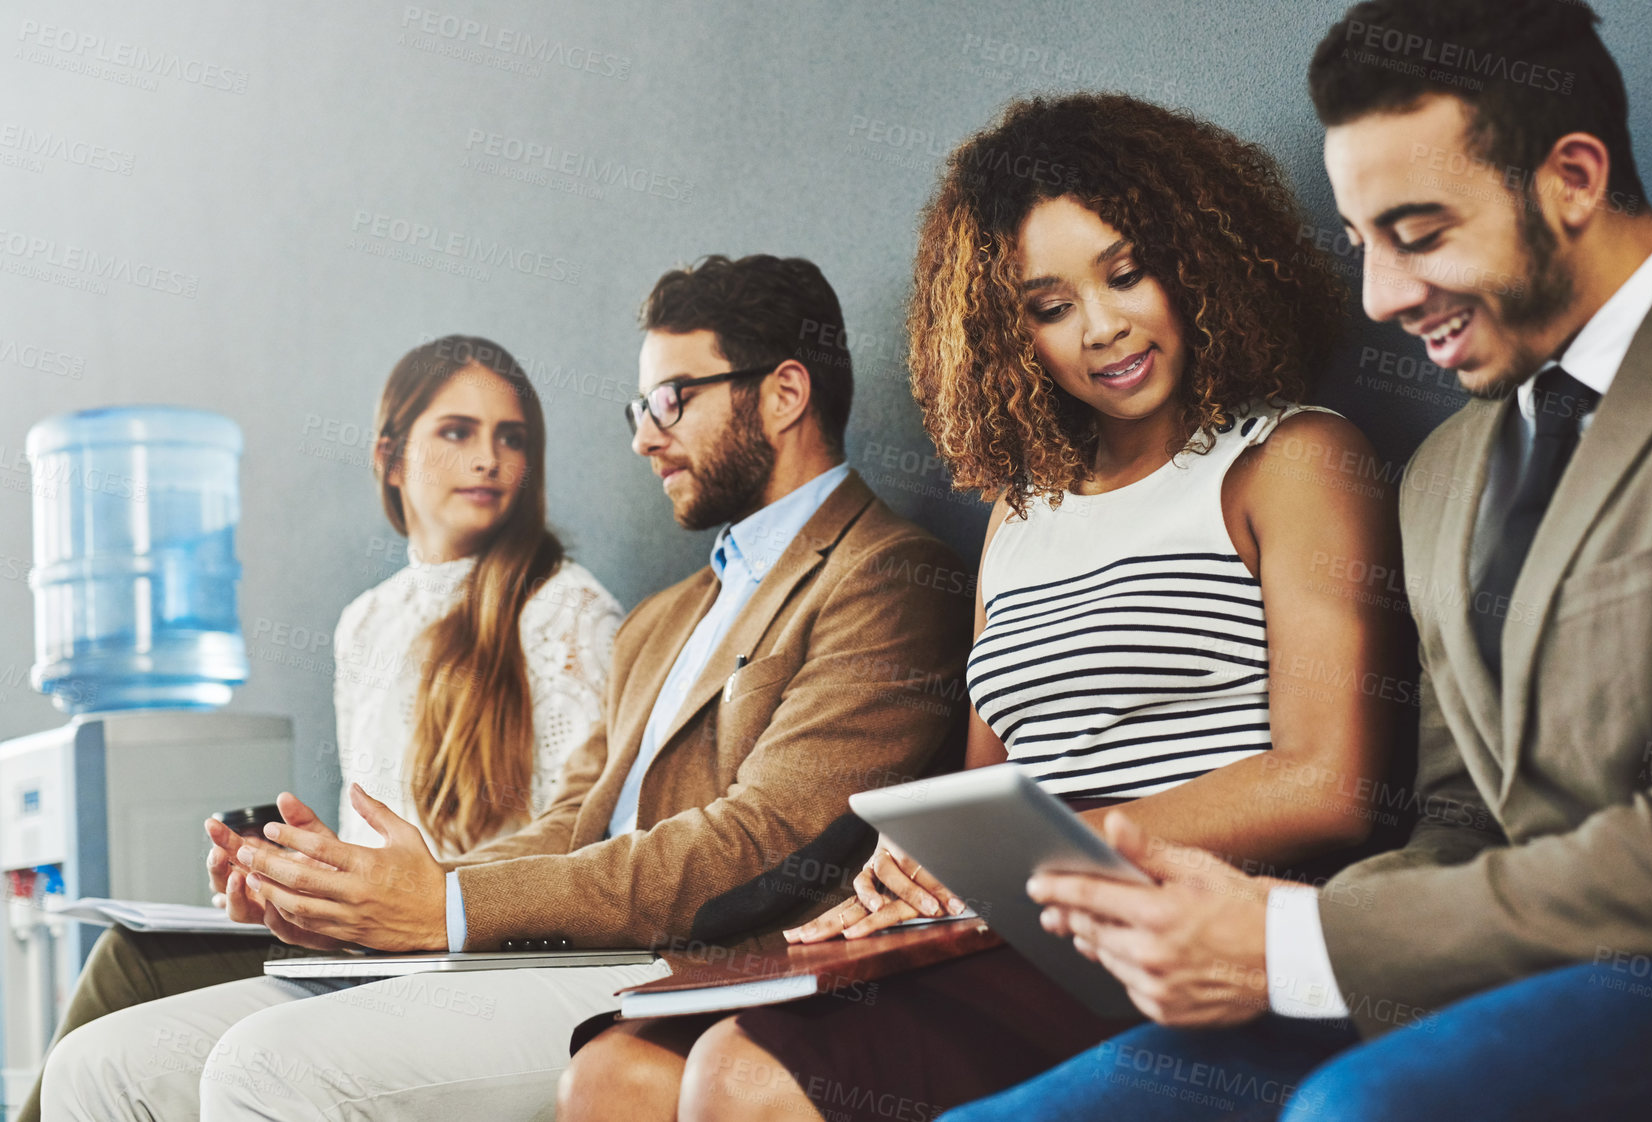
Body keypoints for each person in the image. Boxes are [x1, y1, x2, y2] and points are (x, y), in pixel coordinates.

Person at [940, 2, 1652, 1119]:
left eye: (1421, 235)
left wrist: (1297, 939)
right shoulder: (1444, 468)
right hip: (1445, 975)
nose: (1381, 299)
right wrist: (1230, 932)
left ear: (1573, 178)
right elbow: (1456, 822)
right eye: (1362, 246)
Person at [560, 92, 1409, 1122]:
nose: (1101, 328)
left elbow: (1331, 785)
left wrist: (1046, 866)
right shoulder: (1019, 517)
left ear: (1196, 259)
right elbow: (983, 800)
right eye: (1050, 306)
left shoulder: (1292, 460)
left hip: (1178, 932)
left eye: (1126, 272)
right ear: (1012, 334)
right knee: (617, 1072)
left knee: (740, 1076)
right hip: (1012, 928)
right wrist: (916, 874)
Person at [40, 255, 972, 1120]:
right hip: (561, 949)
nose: (645, 438)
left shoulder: (889, 577)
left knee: (268, 1063)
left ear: (784, 392)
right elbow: (570, 823)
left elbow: (762, 845)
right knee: (100, 1064)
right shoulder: (663, 616)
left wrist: (444, 907)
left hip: (694, 970)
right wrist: (355, 890)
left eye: (672, 400)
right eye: (638, 408)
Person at [16, 334, 623, 1122]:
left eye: (512, 438)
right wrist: (290, 886)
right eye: (457, 432)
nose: (489, 460)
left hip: (466, 943)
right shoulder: (364, 624)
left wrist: (420, 895)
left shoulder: (570, 611)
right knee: (128, 953)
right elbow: (362, 827)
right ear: (391, 457)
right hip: (361, 939)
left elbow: (584, 837)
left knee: (131, 974)